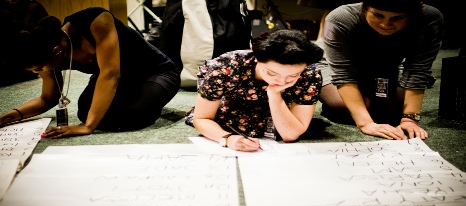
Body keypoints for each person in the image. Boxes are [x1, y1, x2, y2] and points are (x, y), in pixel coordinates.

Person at [0, 7, 180, 138]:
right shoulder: (46, 52)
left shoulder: (95, 20)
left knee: (129, 115)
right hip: (121, 79)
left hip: (156, 71)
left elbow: (110, 75)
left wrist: (87, 127)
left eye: (38, 69)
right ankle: (141, 100)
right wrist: (7, 117)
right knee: (86, 112)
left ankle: (150, 103)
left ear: (57, 50)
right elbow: (48, 98)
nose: (37, 72)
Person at [316, 0, 444, 140]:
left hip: (387, 64)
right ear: (365, 8)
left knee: (394, 105)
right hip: (330, 63)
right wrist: (366, 123)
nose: (385, 24)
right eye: (378, 15)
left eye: (398, 18)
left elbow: (418, 68)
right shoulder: (340, 18)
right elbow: (342, 73)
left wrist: (410, 119)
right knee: (343, 104)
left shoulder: (429, 17)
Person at [185, 29, 323, 152]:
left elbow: (290, 134)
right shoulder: (226, 67)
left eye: (292, 76)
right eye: (272, 73)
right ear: (257, 59)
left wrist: (274, 94)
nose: (281, 82)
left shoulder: (309, 74)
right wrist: (227, 138)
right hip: (229, 114)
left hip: (281, 114)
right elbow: (202, 118)